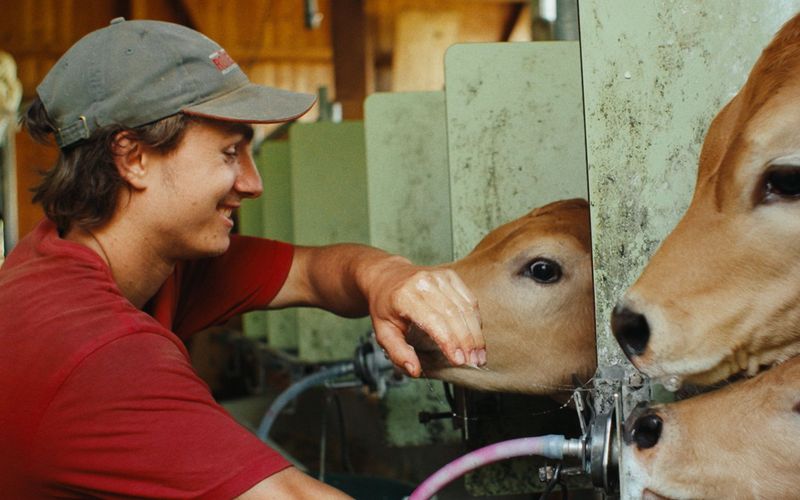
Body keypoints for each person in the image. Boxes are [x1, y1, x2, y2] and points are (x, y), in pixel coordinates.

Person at [0, 18, 485, 498]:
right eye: (230, 153)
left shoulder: (106, 257)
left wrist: (389, 277)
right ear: (133, 158)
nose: (254, 184)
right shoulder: (98, 350)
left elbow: (314, 273)